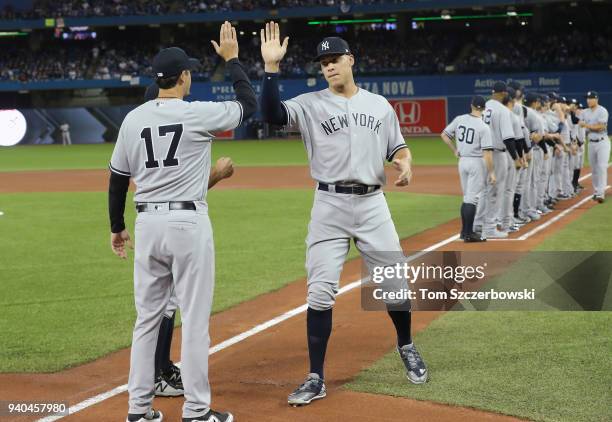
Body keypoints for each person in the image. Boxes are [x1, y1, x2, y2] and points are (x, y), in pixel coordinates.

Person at [259, 21, 427, 407]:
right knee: (319, 293)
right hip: (329, 206)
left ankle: (406, 345)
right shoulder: (309, 103)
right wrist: (271, 69)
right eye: (323, 63)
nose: (329, 67)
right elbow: (270, 115)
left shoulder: (379, 106)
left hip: (372, 206)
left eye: (335, 59)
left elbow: (397, 148)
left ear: (351, 60)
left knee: (396, 286)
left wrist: (405, 162)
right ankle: (316, 376)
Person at [108, 22, 256, 422]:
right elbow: (249, 105)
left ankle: (138, 412)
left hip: (146, 224)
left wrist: (115, 227)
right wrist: (233, 61)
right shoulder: (197, 114)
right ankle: (195, 411)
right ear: (184, 76)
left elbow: (119, 177)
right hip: (188, 224)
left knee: (146, 321)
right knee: (194, 321)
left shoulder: (133, 119)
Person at [140, 84, 237, 398]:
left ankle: (154, 377)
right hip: (176, 226)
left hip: (150, 226)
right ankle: (160, 375)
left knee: (159, 304)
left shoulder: (142, 131)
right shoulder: (176, 133)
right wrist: (218, 175)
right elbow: (183, 194)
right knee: (169, 305)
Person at [441, 95, 495, 242]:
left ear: (471, 105)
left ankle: (464, 232)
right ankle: (468, 233)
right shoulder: (483, 127)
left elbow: (444, 135)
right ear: (484, 108)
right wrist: (491, 172)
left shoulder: (460, 119)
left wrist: (454, 149)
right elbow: (487, 153)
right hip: (476, 162)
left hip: (462, 161)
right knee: (472, 199)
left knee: (467, 198)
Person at [474, 81, 515, 239]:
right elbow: (509, 137)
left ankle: (478, 224)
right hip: (496, 154)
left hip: (481, 154)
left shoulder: (482, 107)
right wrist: (516, 157)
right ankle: (490, 227)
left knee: (483, 191)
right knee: (495, 190)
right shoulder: (503, 110)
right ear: (504, 93)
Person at [579, 91, 610, 203]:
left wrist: (586, 125)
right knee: (594, 169)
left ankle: (601, 193)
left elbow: (601, 127)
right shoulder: (585, 112)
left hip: (602, 142)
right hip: (591, 143)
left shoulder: (602, 111)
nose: (588, 100)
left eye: (590, 98)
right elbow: (578, 121)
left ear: (596, 99)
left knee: (601, 167)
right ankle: (597, 191)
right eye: (587, 98)